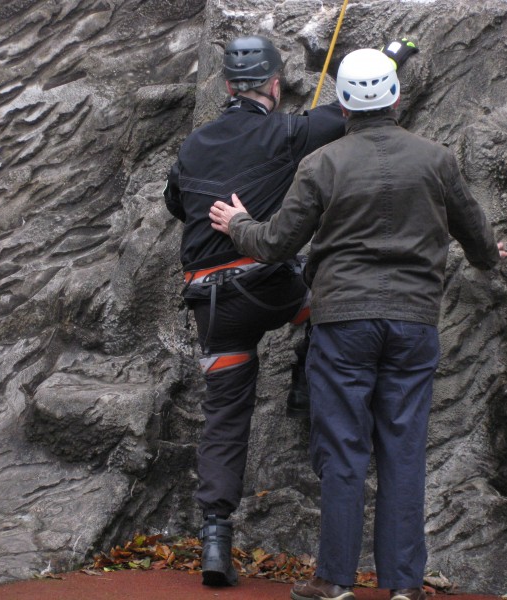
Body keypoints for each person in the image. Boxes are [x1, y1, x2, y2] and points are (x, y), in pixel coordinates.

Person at [209, 47, 507, 600]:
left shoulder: (322, 164)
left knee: (344, 449)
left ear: (343, 105)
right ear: (394, 95)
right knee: (404, 450)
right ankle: (403, 586)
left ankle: (335, 580)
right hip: (414, 323)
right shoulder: (437, 160)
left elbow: (276, 245)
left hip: (343, 323)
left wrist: (240, 223)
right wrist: (494, 256)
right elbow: (478, 237)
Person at [163, 35, 419, 588]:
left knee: (225, 416)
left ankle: (214, 537)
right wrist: (396, 52)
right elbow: (345, 110)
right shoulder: (289, 131)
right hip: (270, 287)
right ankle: (307, 383)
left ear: (228, 86)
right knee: (326, 307)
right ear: (275, 85)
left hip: (211, 303)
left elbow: (173, 202)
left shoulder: (193, 146)